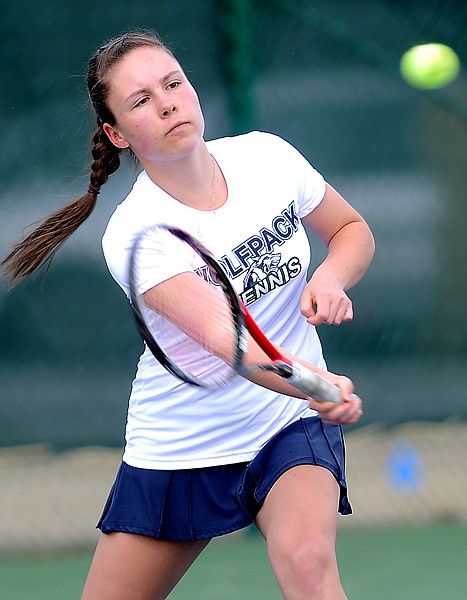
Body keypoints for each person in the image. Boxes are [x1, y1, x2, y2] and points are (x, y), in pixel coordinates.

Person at [2, 31, 375, 600]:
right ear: (117, 134)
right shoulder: (137, 233)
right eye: (141, 100)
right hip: (182, 444)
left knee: (307, 561)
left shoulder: (267, 157)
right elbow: (237, 349)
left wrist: (329, 276)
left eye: (172, 83)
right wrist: (316, 384)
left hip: (284, 422)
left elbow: (351, 231)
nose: (168, 102)